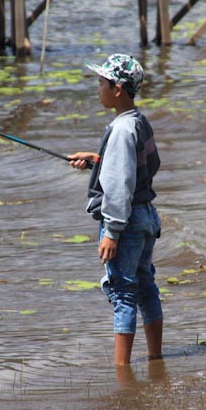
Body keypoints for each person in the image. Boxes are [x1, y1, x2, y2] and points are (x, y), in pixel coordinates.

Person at [68, 53, 163, 366]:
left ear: (118, 89)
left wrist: (111, 231)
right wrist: (97, 161)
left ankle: (122, 369)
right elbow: (146, 165)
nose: (98, 89)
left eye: (101, 83)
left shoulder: (121, 130)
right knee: (145, 286)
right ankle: (155, 356)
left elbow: (120, 186)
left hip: (127, 221)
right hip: (146, 214)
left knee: (122, 292)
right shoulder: (138, 121)